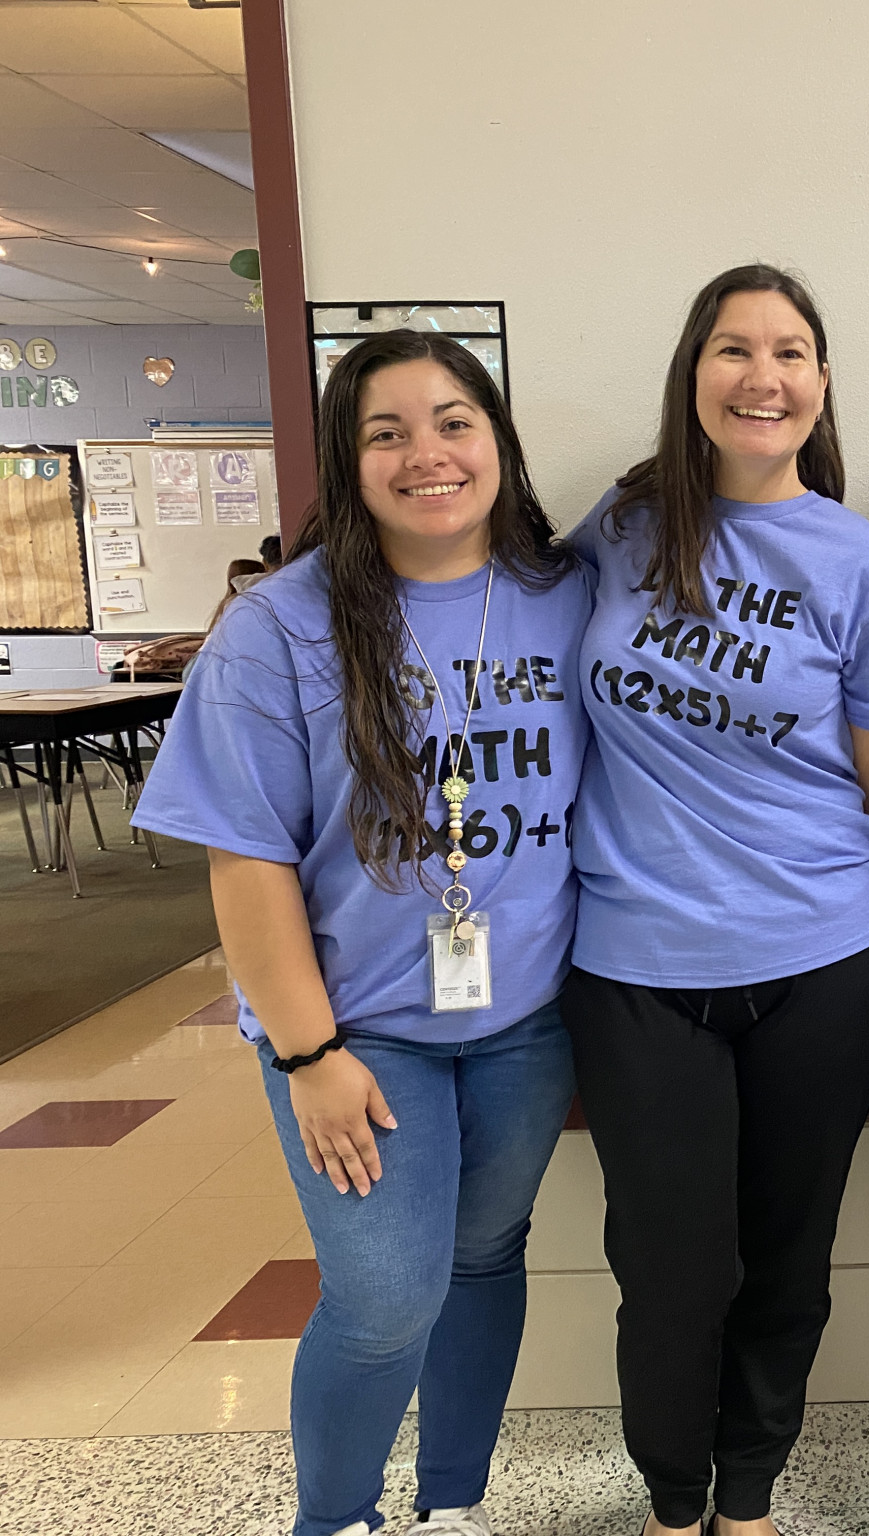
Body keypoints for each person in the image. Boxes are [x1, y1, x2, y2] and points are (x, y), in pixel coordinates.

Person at [132, 329, 592, 1536]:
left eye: (453, 423)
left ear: (498, 443)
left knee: (484, 1258)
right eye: (385, 433)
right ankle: (335, 1521)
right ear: (346, 460)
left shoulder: (565, 596)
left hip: (528, 1023)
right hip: (355, 1034)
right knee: (385, 1297)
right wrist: (307, 1054)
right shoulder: (277, 629)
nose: (425, 455)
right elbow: (245, 858)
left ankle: (452, 1508)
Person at [560, 264, 869, 1536]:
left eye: (789, 353)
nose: (761, 377)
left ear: (820, 384)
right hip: (634, 961)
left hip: (823, 962)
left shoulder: (866, 563)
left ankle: (750, 1497)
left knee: (784, 1260)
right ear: (692, 373)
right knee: (668, 1273)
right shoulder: (623, 526)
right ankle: (674, 1502)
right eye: (732, 348)